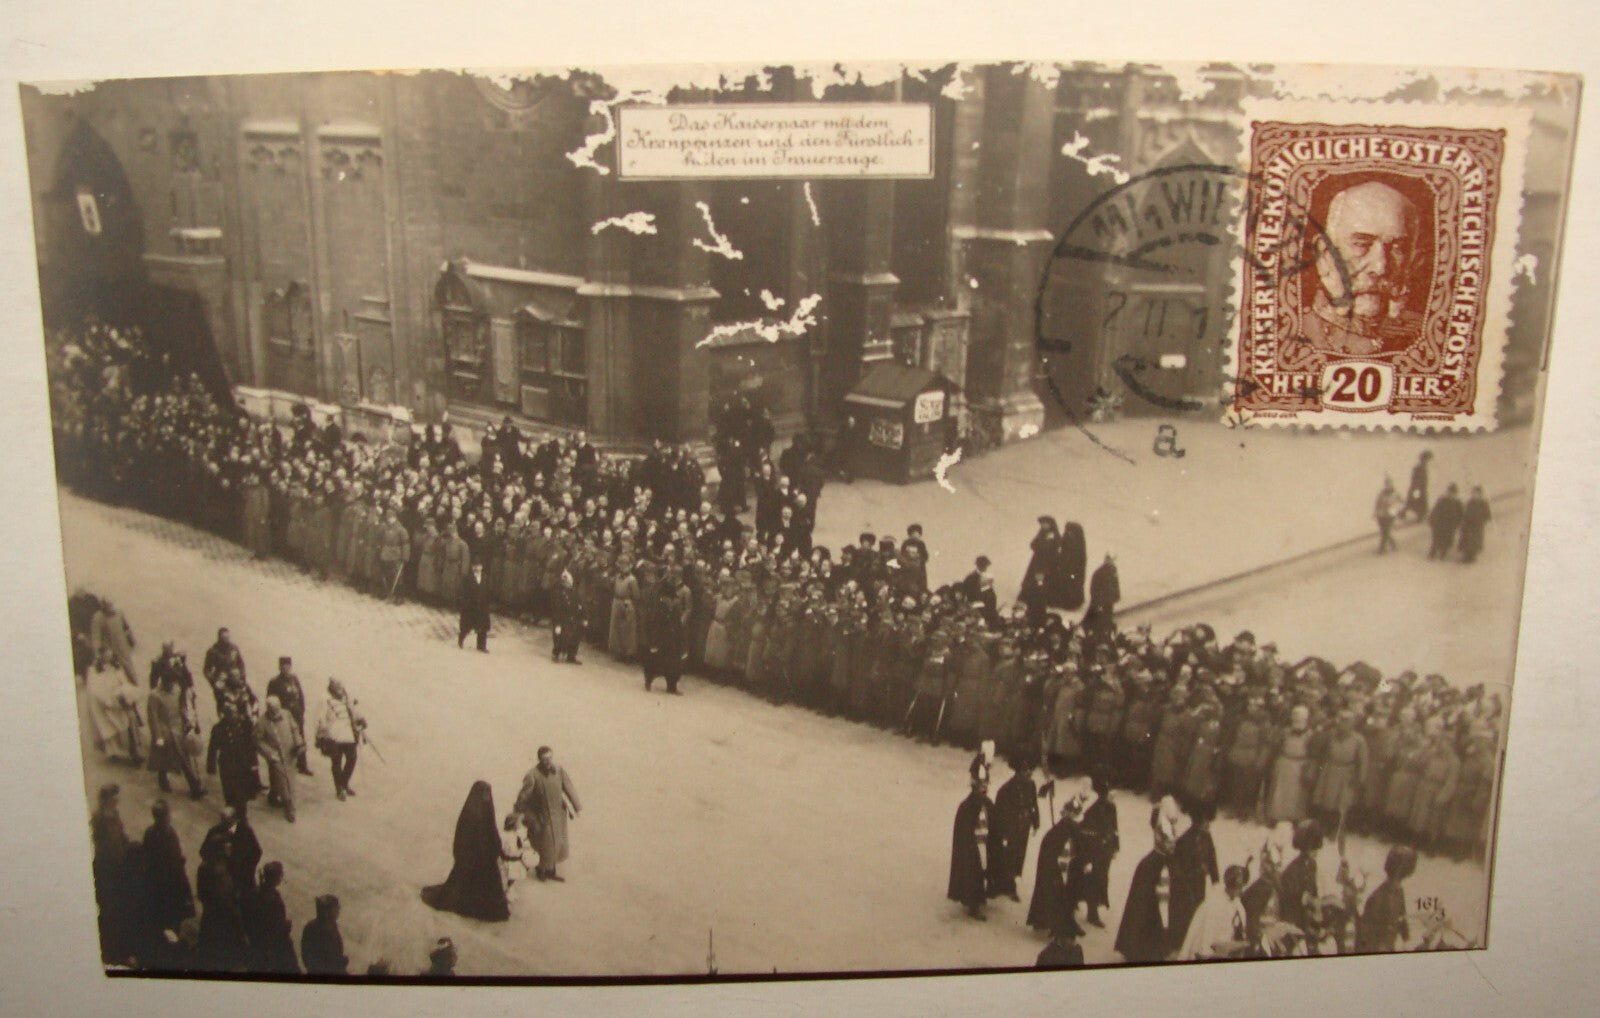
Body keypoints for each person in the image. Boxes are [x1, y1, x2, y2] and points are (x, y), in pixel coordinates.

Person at [1302, 179, 1423, 356]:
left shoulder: (1425, 336)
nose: (1381, 267)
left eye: (1397, 248)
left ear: (1412, 259)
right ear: (1325, 254)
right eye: (1362, 244)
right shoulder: (1293, 333)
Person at [422, 780, 510, 921]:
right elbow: (462, 839)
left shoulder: (487, 810)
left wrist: (496, 846)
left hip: (486, 857)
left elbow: (492, 830)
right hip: (471, 859)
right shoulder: (470, 814)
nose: (487, 797)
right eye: (484, 794)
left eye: (488, 793)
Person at [515, 746, 583, 882]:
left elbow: (568, 787)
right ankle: (541, 869)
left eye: (550, 758)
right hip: (542, 815)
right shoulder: (532, 775)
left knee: (556, 843)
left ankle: (551, 870)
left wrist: (576, 806)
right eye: (545, 759)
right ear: (539, 759)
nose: (548, 761)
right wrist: (519, 812)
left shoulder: (558, 770)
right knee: (543, 844)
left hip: (558, 814)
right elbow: (523, 796)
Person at [139, 800, 195, 956]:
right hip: (171, 885)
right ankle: (172, 947)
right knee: (172, 918)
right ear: (165, 816)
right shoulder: (169, 834)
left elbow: (146, 856)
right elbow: (175, 861)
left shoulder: (150, 832)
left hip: (155, 883)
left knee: (160, 916)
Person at [1066, 772, 1119, 928]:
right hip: (1092, 848)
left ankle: (1091, 909)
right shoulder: (1092, 806)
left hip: (1104, 849)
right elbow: (1083, 826)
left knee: (1099, 879)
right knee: (1088, 877)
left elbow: (1114, 828)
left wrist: (1115, 845)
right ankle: (1086, 909)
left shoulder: (1110, 806)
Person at [147, 665, 204, 798]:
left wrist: (188, 721)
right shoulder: (154, 695)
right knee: (165, 758)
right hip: (165, 730)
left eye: (173, 682)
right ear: (164, 681)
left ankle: (194, 786)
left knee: (184, 757)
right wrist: (158, 736)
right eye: (170, 682)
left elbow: (182, 708)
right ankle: (164, 779)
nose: (172, 685)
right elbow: (153, 718)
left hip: (179, 729)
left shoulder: (177, 690)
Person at [987, 762, 1039, 902]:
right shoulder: (1006, 789)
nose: (1029, 774)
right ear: (1018, 772)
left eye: (1030, 771)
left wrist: (1035, 822)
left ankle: (1011, 887)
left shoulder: (1031, 785)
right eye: (1026, 771)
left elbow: (1033, 804)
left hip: (1023, 827)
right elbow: (1001, 812)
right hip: (1011, 829)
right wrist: (1003, 831)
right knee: (1005, 857)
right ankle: (996, 886)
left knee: (1018, 858)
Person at [1176, 864, 1251, 961]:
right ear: (1230, 886)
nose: (1241, 891)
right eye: (1238, 887)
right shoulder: (1213, 905)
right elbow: (1206, 938)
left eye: (1242, 887)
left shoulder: (1239, 906)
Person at [1354, 844, 1418, 953]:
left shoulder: (1398, 891)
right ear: (1400, 871)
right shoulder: (1379, 897)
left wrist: (1406, 938)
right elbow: (1365, 932)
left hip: (1387, 945)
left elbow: (1402, 915)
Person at [86, 650, 145, 766]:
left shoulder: (117, 669)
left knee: (131, 725)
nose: (108, 659)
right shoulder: (95, 672)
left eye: (110, 656)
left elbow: (124, 682)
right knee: (111, 728)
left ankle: (135, 753)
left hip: (123, 703)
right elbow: (96, 690)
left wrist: (126, 693)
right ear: (101, 658)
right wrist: (111, 699)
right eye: (105, 656)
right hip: (109, 703)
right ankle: (116, 752)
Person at [948, 775, 993, 921]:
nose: (985, 789)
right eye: (982, 786)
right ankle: (974, 906)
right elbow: (964, 831)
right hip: (972, 846)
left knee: (981, 873)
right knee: (974, 875)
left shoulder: (985, 803)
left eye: (985, 786)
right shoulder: (968, 806)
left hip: (984, 844)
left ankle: (977, 899)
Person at [207, 694, 263, 809]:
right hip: (227, 764)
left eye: (235, 713)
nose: (235, 716)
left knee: (243, 791)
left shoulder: (244, 725)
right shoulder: (219, 728)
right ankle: (232, 811)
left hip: (242, 762)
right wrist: (211, 766)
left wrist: (253, 763)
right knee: (229, 791)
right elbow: (212, 748)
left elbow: (250, 745)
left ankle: (242, 815)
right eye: (231, 714)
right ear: (225, 715)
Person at [243, 861, 300, 974]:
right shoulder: (273, 899)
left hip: (256, 941)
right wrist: (286, 926)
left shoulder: (254, 893)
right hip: (272, 944)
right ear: (276, 878)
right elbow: (276, 926)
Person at [255, 695, 304, 822]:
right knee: (284, 781)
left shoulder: (286, 714)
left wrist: (298, 742)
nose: (277, 713)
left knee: (288, 777)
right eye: (273, 710)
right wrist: (270, 753)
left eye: (278, 709)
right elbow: (257, 740)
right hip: (276, 756)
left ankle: (273, 795)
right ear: (268, 709)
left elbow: (294, 728)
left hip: (290, 753)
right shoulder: (262, 722)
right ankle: (289, 807)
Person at [315, 678, 365, 801]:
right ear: (331, 687)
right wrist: (321, 735)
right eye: (337, 686)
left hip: (349, 735)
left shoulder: (347, 697)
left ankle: (344, 783)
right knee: (336, 763)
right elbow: (320, 718)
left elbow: (354, 711)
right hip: (333, 736)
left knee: (352, 759)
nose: (340, 689)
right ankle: (339, 789)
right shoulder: (324, 699)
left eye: (341, 686)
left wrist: (360, 720)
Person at [266, 657, 314, 776]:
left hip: (297, 714)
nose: (286, 669)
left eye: (288, 667)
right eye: (283, 667)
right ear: (280, 667)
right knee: (286, 740)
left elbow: (301, 696)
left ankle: (302, 765)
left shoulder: (294, 679)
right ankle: (286, 764)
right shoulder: (274, 682)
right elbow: (271, 700)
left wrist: (302, 711)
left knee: (300, 739)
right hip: (284, 716)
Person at [300, 894, 349, 975]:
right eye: (336, 908)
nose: (338, 910)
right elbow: (311, 958)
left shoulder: (331, 926)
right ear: (327, 911)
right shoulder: (314, 929)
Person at [550, 569, 584, 664]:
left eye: (568, 581)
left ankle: (571, 654)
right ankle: (556, 652)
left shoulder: (574, 592)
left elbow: (580, 605)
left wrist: (584, 617)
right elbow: (557, 607)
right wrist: (557, 621)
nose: (567, 584)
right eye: (565, 582)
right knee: (560, 634)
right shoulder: (559, 593)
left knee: (575, 635)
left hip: (573, 617)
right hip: (563, 617)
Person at [458, 560, 492, 652]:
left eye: (479, 566)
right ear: (472, 567)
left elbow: (488, 591)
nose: (477, 568)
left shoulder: (485, 578)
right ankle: (461, 639)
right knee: (467, 625)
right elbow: (464, 592)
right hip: (471, 606)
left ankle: (481, 646)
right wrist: (465, 603)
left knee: (483, 627)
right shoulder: (468, 578)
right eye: (474, 566)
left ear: (482, 567)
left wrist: (488, 603)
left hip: (482, 606)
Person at [1428, 483, 1464, 560]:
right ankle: (1433, 552)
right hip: (1440, 524)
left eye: (1452, 493)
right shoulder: (1442, 500)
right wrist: (1432, 520)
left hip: (1450, 525)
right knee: (1436, 539)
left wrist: (1458, 523)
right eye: (1449, 492)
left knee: (1447, 540)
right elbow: (1435, 511)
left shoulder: (1457, 502)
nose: (1450, 494)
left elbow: (1461, 514)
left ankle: (1442, 553)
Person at [1086, 554, 1121, 632]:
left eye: (1113, 560)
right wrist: (1097, 601)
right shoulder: (1099, 573)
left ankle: (1106, 631)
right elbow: (1093, 588)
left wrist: (1116, 595)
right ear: (1106, 560)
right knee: (1096, 617)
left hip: (1109, 600)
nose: (1112, 562)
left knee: (1107, 617)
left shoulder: (1113, 569)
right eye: (1110, 560)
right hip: (1100, 600)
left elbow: (1115, 583)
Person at [1458, 486, 1492, 563]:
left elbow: (1487, 515)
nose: (1474, 495)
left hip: (1477, 526)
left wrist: (1482, 521)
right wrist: (1463, 521)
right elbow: (1465, 512)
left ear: (1480, 494)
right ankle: (1466, 556)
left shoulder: (1483, 503)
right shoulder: (1470, 502)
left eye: (1476, 493)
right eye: (1473, 493)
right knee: (1466, 541)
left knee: (1474, 542)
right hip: (1468, 526)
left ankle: (1472, 557)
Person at [1404, 451, 1433, 522]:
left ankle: (1419, 516)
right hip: (1418, 489)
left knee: (1415, 502)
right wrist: (1417, 490)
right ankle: (1419, 517)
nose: (1427, 462)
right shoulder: (1419, 468)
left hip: (1420, 489)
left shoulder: (1422, 467)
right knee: (1416, 502)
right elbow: (1415, 480)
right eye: (1427, 460)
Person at [1374, 476, 1400, 554]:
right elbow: (1377, 503)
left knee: (1386, 531)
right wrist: (1375, 512)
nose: (1387, 486)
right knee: (1384, 531)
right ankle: (1392, 543)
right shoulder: (1381, 493)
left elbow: (1401, 502)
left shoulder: (1395, 494)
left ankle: (1382, 549)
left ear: (1392, 485)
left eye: (1389, 484)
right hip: (1381, 515)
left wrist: (1397, 510)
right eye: (1386, 484)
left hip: (1390, 515)